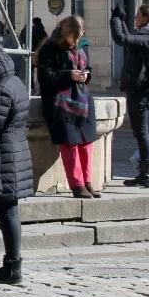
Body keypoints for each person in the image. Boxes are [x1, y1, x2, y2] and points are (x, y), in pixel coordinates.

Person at [0, 43, 33, 285]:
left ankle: (13, 266)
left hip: (6, 154)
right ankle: (13, 264)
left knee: (7, 211)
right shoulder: (17, 82)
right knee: (9, 210)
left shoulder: (2, 88)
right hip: (18, 149)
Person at [36, 16, 98, 198]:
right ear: (65, 33)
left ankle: (87, 182)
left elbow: (87, 68)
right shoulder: (49, 48)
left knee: (87, 142)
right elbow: (45, 78)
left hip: (82, 101)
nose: (76, 41)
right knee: (70, 144)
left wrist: (87, 76)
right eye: (74, 37)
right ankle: (77, 185)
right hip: (61, 104)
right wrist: (68, 76)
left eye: (79, 37)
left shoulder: (79, 47)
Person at [110, 3, 149, 188]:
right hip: (145, 89)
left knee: (142, 132)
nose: (135, 18)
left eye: (138, 15)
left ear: (147, 18)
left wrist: (114, 20)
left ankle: (147, 175)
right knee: (146, 132)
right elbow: (129, 37)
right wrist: (121, 20)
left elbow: (122, 39)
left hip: (140, 89)